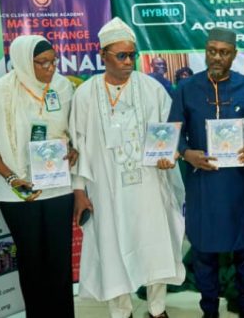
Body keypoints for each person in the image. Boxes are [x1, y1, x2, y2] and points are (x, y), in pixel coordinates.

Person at [70, 17, 185, 318]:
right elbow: (78, 145)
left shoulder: (151, 88)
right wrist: (79, 191)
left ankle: (157, 308)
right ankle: (121, 311)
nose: (128, 62)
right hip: (105, 188)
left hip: (149, 184)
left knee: (155, 243)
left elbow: (169, 131)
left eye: (132, 55)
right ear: (103, 55)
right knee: (111, 247)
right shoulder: (85, 94)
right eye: (121, 55)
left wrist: (170, 155)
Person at [0, 35, 77, 317]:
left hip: (58, 187)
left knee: (59, 260)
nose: (50, 68)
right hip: (19, 192)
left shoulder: (62, 86)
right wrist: (13, 179)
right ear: (23, 62)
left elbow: (73, 132)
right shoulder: (1, 91)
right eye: (42, 62)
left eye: (53, 61)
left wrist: (73, 149)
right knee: (32, 261)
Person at [169, 27, 244, 318]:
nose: (217, 57)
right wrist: (187, 153)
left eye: (224, 52)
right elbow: (174, 131)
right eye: (212, 51)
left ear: (234, 55)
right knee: (204, 251)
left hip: (238, 184)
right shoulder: (186, 88)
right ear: (206, 52)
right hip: (203, 182)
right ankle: (209, 310)